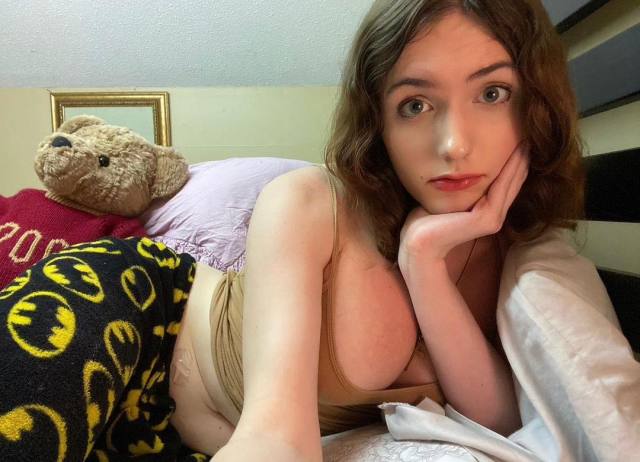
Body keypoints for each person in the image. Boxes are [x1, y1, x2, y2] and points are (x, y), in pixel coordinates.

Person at [0, 1, 584, 461]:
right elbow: (277, 439)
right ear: (378, 120)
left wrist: (424, 262)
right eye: (415, 104)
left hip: (174, 439)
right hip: (139, 309)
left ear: (536, 103)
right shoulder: (309, 201)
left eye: (491, 93)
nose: (454, 145)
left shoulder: (525, 261)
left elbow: (499, 422)